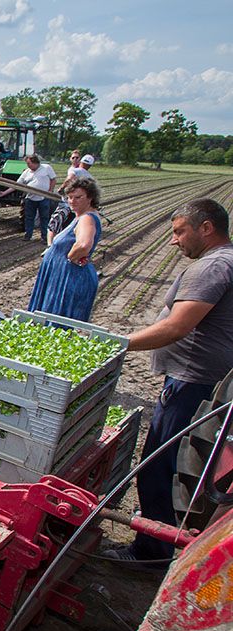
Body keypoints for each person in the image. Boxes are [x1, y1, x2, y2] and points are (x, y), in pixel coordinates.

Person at [102, 199, 233, 569]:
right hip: (209, 382)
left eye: (179, 231)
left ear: (206, 228)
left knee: (161, 464)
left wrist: (117, 343)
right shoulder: (227, 260)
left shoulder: (212, 266)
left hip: (193, 384)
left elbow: (177, 326)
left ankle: (152, 552)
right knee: (177, 463)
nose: (174, 241)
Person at [26, 177, 103, 321]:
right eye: (70, 197)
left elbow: (84, 245)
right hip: (62, 276)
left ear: (90, 197)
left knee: (55, 323)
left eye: (78, 197)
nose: (72, 201)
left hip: (68, 279)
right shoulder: (81, 217)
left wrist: (68, 258)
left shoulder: (87, 218)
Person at [17, 154, 57, 243]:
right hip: (30, 198)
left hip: (43, 198)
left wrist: (50, 191)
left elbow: (53, 179)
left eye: (29, 163)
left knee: (44, 217)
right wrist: (4, 193)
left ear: (35, 162)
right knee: (29, 217)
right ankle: (28, 235)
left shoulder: (46, 168)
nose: (28, 165)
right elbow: (17, 184)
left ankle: (44, 237)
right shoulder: (27, 172)